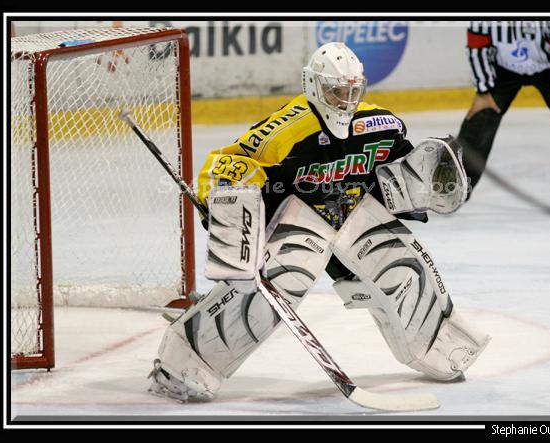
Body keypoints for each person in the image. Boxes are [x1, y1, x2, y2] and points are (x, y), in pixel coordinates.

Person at [147, 42, 490, 402]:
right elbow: (223, 164)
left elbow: (400, 169)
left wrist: (424, 179)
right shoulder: (286, 131)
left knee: (405, 270)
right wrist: (228, 207)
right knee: (279, 286)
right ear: (312, 85)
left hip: (355, 214)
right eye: (337, 91)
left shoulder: (379, 125)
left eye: (353, 91)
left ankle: (442, 348)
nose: (345, 101)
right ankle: (184, 363)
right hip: (298, 219)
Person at [457, 20, 550, 209]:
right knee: (481, 115)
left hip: (549, 68)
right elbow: (477, 46)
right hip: (503, 69)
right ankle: (454, 187)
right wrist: (483, 91)